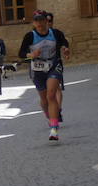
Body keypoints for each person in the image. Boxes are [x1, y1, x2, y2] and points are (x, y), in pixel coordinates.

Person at [17, 10, 70, 140]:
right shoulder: (30, 36)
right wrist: (31, 55)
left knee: (51, 94)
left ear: (47, 22)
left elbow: (64, 42)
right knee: (44, 98)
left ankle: (54, 128)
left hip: (53, 65)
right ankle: (49, 115)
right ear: (34, 23)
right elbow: (21, 53)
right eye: (37, 21)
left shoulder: (56, 33)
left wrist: (65, 49)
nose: (39, 23)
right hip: (37, 69)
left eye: (42, 21)